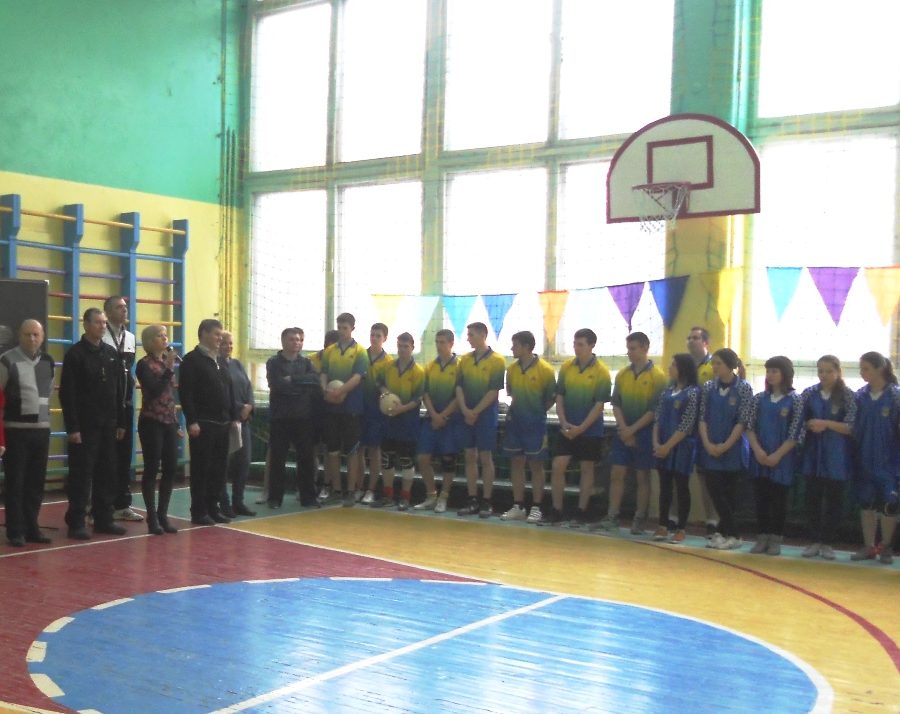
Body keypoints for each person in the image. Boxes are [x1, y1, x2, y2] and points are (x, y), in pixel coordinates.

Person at [59, 308, 127, 539]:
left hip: (108, 425)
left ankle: (104, 519)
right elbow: (67, 394)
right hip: (85, 427)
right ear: (86, 325)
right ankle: (77, 521)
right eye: (98, 322)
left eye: (104, 323)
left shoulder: (110, 353)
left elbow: (118, 390)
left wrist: (120, 422)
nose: (102, 326)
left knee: (107, 473)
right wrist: (73, 427)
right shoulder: (75, 354)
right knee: (81, 475)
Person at [597, 332, 667, 534]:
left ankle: (639, 517)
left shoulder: (658, 377)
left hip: (644, 433)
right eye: (628, 349)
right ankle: (612, 515)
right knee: (617, 473)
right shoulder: (622, 375)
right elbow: (616, 404)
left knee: (642, 475)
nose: (629, 352)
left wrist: (632, 430)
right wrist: (624, 429)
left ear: (645, 348)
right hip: (623, 431)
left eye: (633, 348)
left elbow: (654, 411)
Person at [1, 319, 54, 546]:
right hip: (15, 431)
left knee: (36, 482)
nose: (32, 338)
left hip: (41, 432)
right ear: (19, 336)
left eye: (36, 334)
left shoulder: (49, 361)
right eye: (27, 334)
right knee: (16, 483)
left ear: (42, 337)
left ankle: (32, 527)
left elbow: (48, 393)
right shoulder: (7, 360)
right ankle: (15, 531)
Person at [550, 329, 611, 527]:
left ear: (592, 345)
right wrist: (563, 421)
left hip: (590, 430)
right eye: (575, 344)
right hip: (568, 427)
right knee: (558, 465)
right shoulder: (567, 367)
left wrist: (582, 428)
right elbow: (560, 396)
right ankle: (557, 510)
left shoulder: (602, 372)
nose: (576, 348)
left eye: (581, 344)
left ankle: (581, 511)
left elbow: (599, 405)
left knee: (587, 468)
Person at [178, 318, 236, 525]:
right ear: (203, 334)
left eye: (221, 334)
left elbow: (229, 390)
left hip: (222, 423)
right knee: (201, 469)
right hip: (203, 423)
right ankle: (199, 510)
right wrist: (191, 420)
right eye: (216, 334)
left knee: (219, 469)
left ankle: (213, 507)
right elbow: (186, 393)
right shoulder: (191, 360)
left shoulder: (220, 360)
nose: (220, 338)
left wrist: (232, 416)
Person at [798, 355, 856, 561]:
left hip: (837, 455)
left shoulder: (847, 396)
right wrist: (809, 425)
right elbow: (799, 422)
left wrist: (826, 424)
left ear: (838, 372)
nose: (823, 375)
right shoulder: (809, 393)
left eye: (829, 371)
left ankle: (828, 542)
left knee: (834, 500)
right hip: (813, 454)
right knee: (812, 498)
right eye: (820, 371)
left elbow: (851, 426)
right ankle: (814, 540)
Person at [697, 348, 753, 550]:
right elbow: (702, 418)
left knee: (729, 495)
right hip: (710, 448)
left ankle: (732, 534)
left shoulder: (743, 388)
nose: (714, 367)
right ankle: (725, 532)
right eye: (713, 363)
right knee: (714, 491)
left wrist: (726, 445)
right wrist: (707, 443)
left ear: (730, 366)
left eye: (718, 363)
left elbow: (742, 421)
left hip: (733, 449)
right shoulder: (708, 387)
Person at [747, 356, 803, 556]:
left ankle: (776, 538)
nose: (770, 375)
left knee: (779, 500)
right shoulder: (759, 399)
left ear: (785, 374)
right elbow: (750, 427)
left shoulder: (795, 400)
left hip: (782, 459)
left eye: (774, 371)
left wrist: (777, 455)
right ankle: (762, 537)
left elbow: (795, 433)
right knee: (761, 499)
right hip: (760, 457)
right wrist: (758, 450)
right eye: (768, 371)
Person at [500, 331, 556, 522]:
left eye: (515, 345)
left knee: (536, 465)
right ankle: (518, 506)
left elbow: (550, 399)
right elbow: (511, 394)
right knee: (516, 463)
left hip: (535, 425)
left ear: (526, 347)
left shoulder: (545, 370)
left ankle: (537, 507)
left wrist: (535, 414)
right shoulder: (511, 370)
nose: (512, 348)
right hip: (515, 423)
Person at [850, 351, 899, 564]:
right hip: (864, 458)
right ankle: (869, 546)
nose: (862, 373)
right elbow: (851, 426)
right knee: (866, 503)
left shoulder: (895, 395)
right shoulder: (859, 396)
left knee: (889, 505)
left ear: (880, 369)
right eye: (860, 369)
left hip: (890, 461)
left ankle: (886, 546)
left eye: (866, 368)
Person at [266, 327, 322, 509]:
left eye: (299, 339)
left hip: (303, 418)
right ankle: (275, 498)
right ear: (283, 341)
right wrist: (300, 385)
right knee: (278, 459)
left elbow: (314, 381)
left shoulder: (306, 363)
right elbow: (278, 385)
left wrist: (293, 379)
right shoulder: (273, 363)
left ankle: (308, 498)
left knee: (306, 459)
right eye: (292, 339)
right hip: (280, 418)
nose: (296, 342)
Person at [455, 322, 506, 518]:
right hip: (466, 414)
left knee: (485, 457)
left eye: (471, 335)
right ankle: (472, 499)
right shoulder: (464, 360)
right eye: (468, 334)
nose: (468, 338)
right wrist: (465, 410)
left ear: (483, 335)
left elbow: (494, 391)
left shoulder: (497, 360)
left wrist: (474, 412)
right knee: (469, 456)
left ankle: (487, 500)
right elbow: (459, 387)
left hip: (485, 416)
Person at [135, 325, 182, 535]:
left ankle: (163, 514)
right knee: (152, 468)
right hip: (151, 421)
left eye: (165, 335)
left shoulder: (166, 362)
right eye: (159, 335)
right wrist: (169, 368)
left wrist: (176, 423)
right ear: (149, 341)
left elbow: (170, 396)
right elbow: (154, 391)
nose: (165, 338)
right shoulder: (143, 364)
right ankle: (152, 517)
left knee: (171, 468)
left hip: (169, 422)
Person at [319, 312, 368, 506]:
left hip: (351, 408)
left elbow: (357, 377)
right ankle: (336, 489)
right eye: (339, 327)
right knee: (332, 450)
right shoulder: (329, 351)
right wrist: (325, 390)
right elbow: (323, 374)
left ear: (352, 328)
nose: (341, 331)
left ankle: (351, 491)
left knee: (352, 451)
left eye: (345, 328)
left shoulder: (360, 351)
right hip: (332, 408)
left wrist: (340, 391)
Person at [102, 295, 143, 523]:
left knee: (124, 455)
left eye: (125, 307)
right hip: (106, 407)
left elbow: (128, 369)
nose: (124, 310)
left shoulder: (130, 337)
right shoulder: (101, 336)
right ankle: (100, 506)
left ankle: (122, 504)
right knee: (105, 457)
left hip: (126, 405)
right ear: (108, 312)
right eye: (119, 307)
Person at [652, 353, 700, 544]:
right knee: (664, 487)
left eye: (673, 365)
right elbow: (657, 418)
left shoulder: (693, 393)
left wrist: (668, 446)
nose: (670, 368)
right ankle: (662, 525)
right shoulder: (666, 392)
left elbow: (687, 424)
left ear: (683, 369)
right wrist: (657, 443)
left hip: (682, 446)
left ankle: (681, 528)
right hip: (662, 444)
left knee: (681, 486)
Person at [415, 329, 461, 513]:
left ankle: (444, 497)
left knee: (448, 460)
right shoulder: (430, 366)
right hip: (431, 419)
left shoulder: (459, 367)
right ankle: (431, 495)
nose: (439, 346)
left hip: (451, 420)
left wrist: (444, 416)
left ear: (451, 344)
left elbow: (459, 396)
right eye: (437, 342)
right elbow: (425, 394)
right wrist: (434, 415)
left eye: (442, 342)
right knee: (423, 457)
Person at [377, 332, 425, 510]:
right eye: (400, 346)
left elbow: (418, 398)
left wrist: (401, 409)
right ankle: (388, 495)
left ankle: (405, 497)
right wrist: (386, 394)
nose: (402, 349)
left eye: (406, 346)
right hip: (389, 421)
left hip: (408, 423)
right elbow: (379, 383)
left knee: (406, 460)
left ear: (412, 348)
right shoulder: (388, 366)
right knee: (387, 459)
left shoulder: (418, 371)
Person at [219, 330, 255, 517]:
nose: (229, 346)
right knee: (223, 464)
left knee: (243, 462)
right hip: (227, 421)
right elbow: (223, 394)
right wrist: (239, 408)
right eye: (224, 343)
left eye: (231, 343)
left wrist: (249, 406)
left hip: (243, 421)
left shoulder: (237, 364)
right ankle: (223, 503)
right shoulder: (216, 366)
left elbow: (248, 387)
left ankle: (238, 502)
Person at [687, 326, 718, 536]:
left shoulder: (714, 365)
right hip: (689, 429)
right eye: (689, 338)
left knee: (710, 477)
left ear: (706, 343)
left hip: (709, 428)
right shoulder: (685, 366)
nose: (691, 341)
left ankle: (714, 520)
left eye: (696, 338)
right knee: (697, 475)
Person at [358, 323, 392, 505]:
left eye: (378, 335)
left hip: (377, 412)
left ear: (385, 338)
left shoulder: (388, 362)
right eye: (372, 335)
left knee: (374, 449)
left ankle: (371, 489)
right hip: (358, 409)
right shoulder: (360, 356)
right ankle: (358, 487)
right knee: (358, 450)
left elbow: (387, 388)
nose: (374, 338)